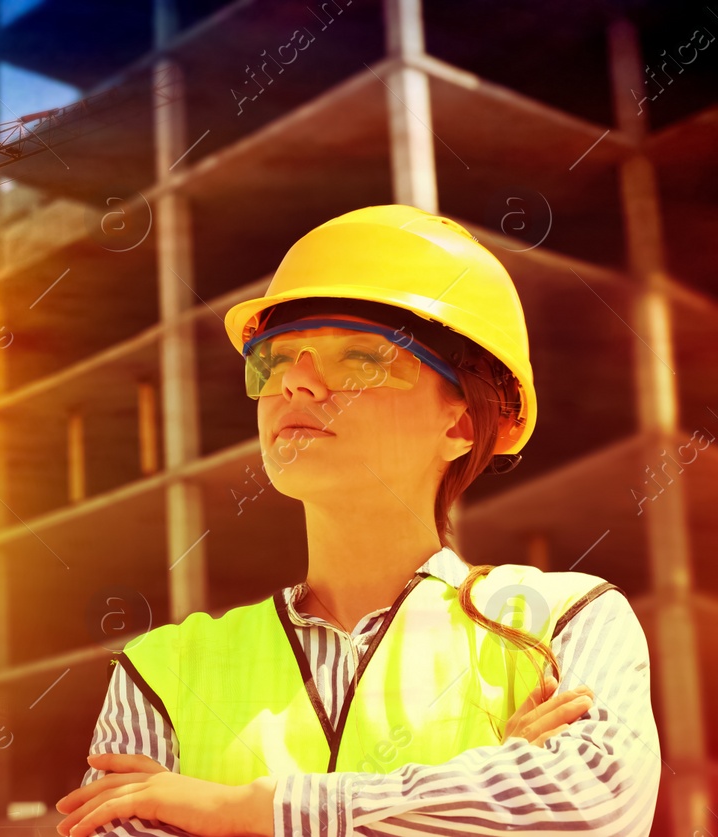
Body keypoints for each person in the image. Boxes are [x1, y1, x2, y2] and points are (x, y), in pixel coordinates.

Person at [53, 205, 661, 837]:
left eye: (361, 359)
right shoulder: (161, 669)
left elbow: (590, 804)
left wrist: (240, 810)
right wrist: (478, 792)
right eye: (276, 358)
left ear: (462, 424)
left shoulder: (564, 619)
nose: (298, 384)